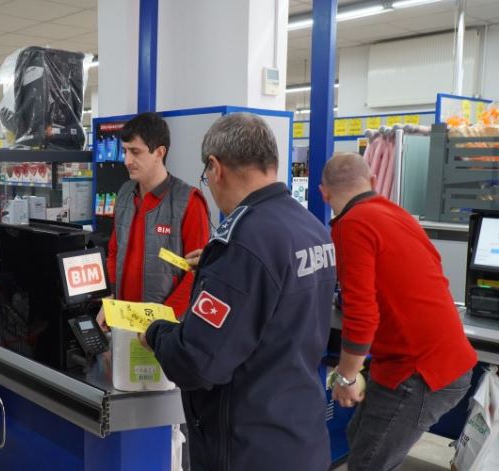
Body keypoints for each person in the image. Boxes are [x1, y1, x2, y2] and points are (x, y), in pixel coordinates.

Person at [141, 113, 335, 471]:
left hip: (248, 448)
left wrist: (155, 333)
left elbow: (195, 362)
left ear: (215, 168)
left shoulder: (244, 242)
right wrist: (217, 273)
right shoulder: (310, 227)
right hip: (300, 436)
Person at [320, 152, 477, 471]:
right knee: (358, 437)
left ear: (324, 193)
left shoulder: (350, 225)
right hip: (437, 358)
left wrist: (347, 376)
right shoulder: (396, 213)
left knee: (368, 461)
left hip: (421, 369)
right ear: (374, 181)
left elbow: (361, 314)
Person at [98, 112, 209, 326]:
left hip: (166, 329)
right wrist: (110, 297)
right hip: (122, 320)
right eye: (125, 151)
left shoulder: (189, 202)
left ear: (159, 152)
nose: (127, 161)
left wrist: (162, 322)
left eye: (135, 152)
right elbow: (114, 251)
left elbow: (197, 273)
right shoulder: (124, 194)